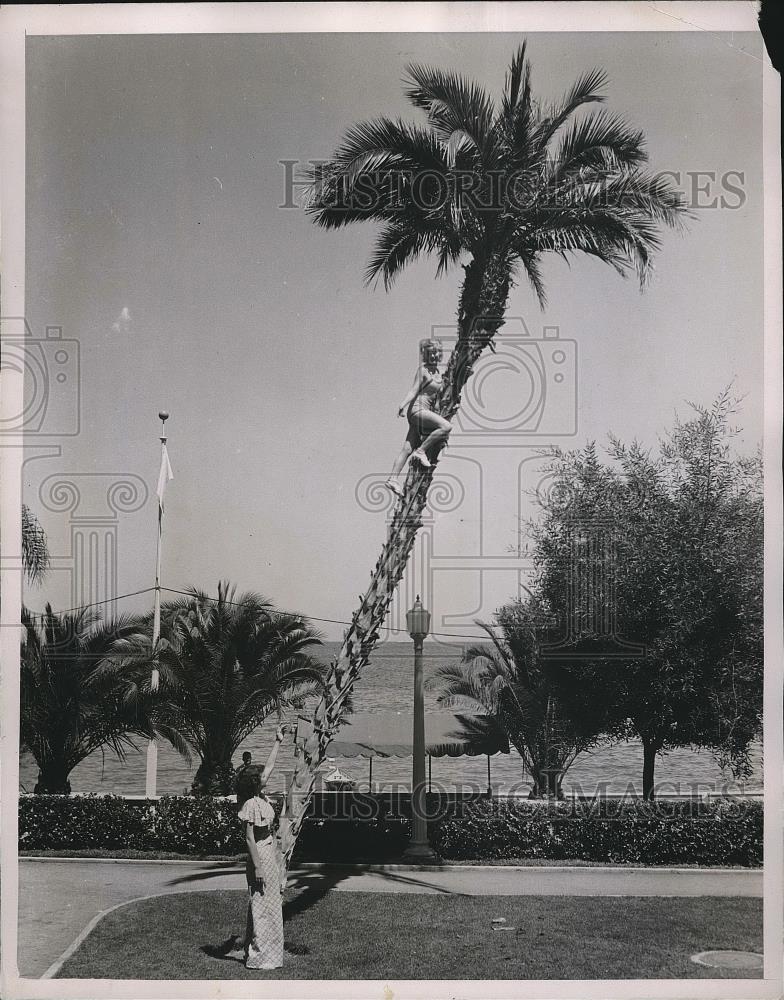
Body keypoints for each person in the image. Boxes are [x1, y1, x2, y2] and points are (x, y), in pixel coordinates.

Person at [236, 723, 288, 970]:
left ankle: (266, 953)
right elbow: (248, 838)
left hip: (269, 854)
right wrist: (257, 867)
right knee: (261, 903)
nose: (264, 776)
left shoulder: (261, 797)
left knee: (270, 902)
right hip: (259, 856)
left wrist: (277, 741)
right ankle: (259, 955)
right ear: (254, 783)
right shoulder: (250, 805)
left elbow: (269, 767)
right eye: (261, 777)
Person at [385, 339, 452, 497]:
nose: (433, 356)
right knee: (446, 427)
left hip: (423, 413)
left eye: (435, 353)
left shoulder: (439, 374)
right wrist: (402, 404)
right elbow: (414, 390)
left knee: (407, 448)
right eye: (429, 354)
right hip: (417, 410)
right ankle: (421, 451)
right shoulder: (423, 370)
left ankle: (392, 479)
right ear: (425, 355)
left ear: (440, 354)